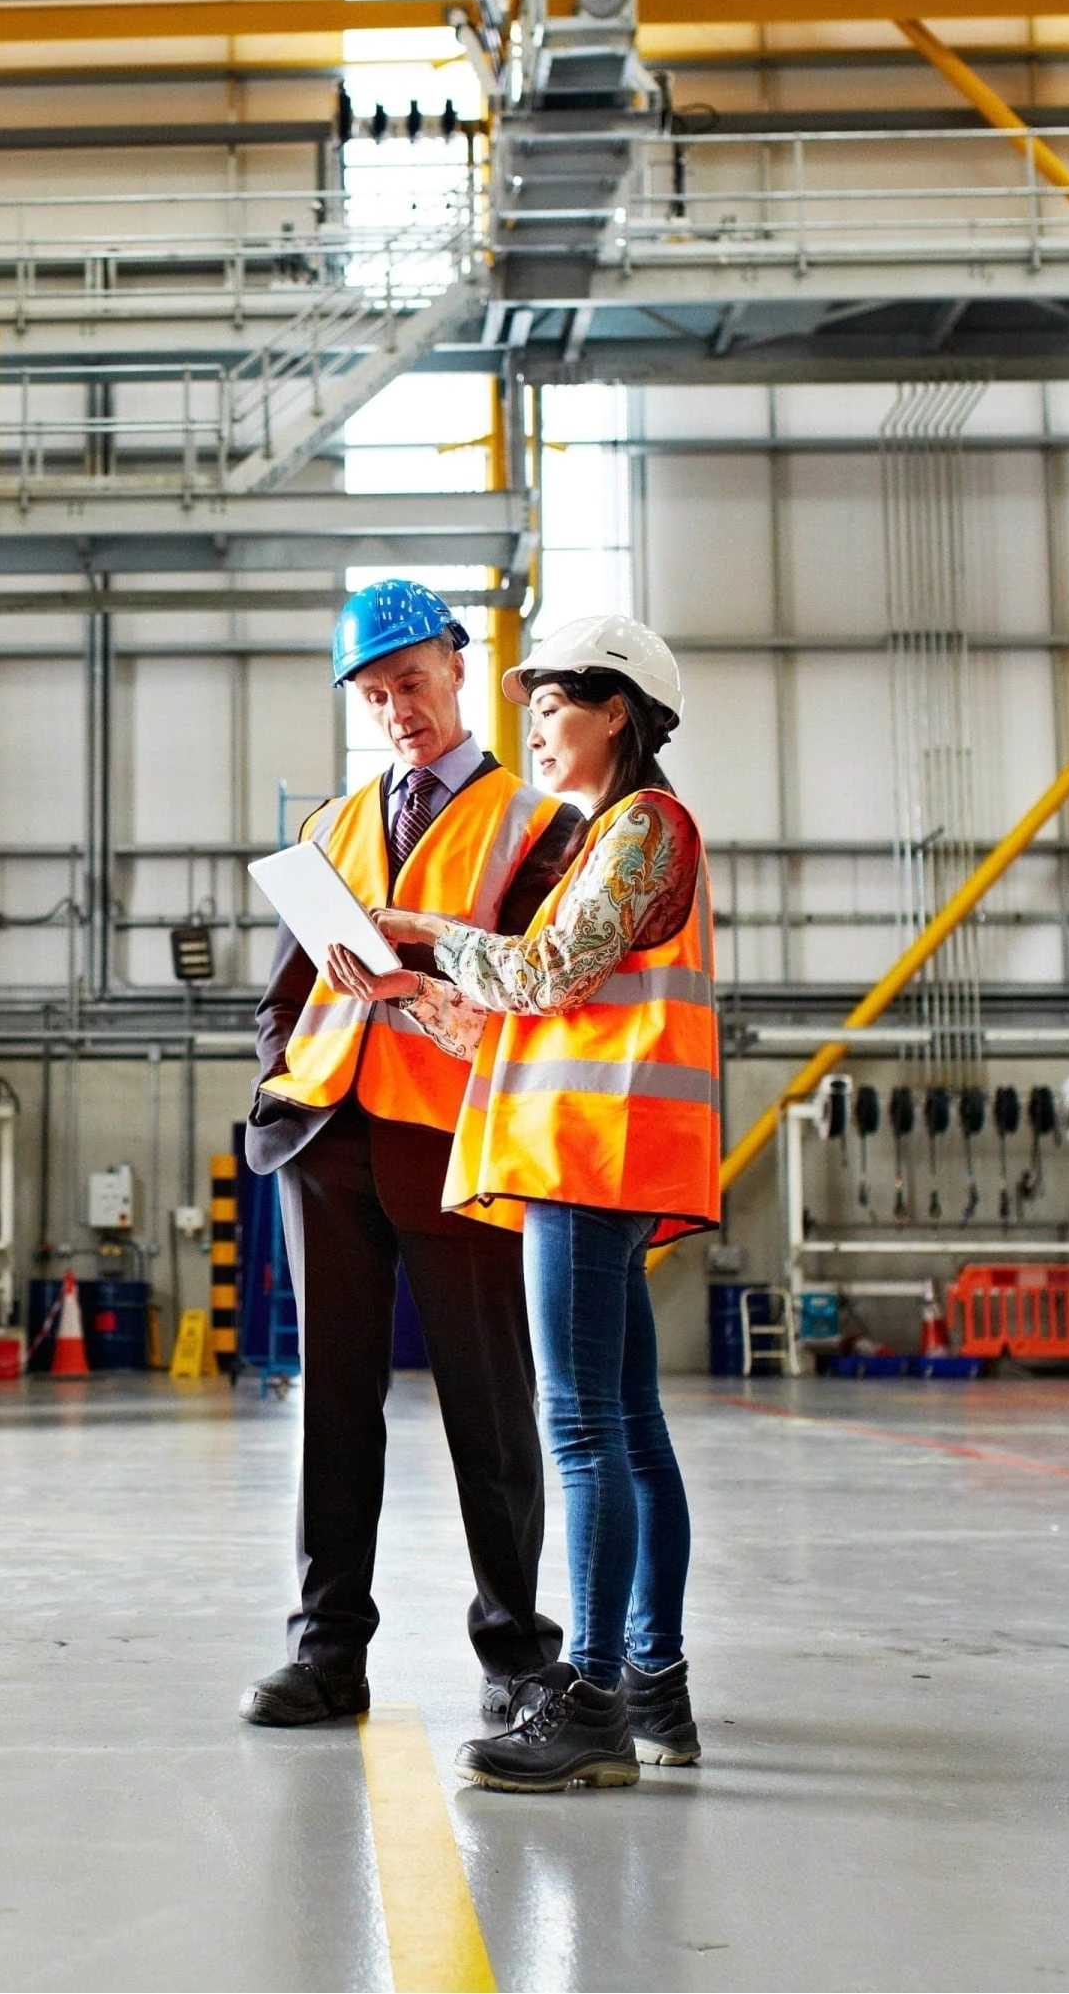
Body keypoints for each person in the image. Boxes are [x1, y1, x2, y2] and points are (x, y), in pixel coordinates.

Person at [326, 614, 718, 1792]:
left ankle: (594, 1697)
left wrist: (424, 929)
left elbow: (543, 976)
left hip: (591, 1160)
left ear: (619, 713)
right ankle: (653, 1685)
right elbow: (523, 1023)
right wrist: (402, 989)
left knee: (587, 1431)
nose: (535, 729)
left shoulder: (644, 829)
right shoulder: (614, 840)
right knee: (631, 1433)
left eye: (552, 708)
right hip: (587, 1152)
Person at [241, 579, 584, 1731]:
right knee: (332, 1405)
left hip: (458, 1138)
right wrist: (276, 1080)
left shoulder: (539, 828)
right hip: (327, 1137)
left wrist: (425, 979)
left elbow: (545, 992)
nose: (398, 709)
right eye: (375, 693)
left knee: (489, 1402)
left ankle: (517, 1655)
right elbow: (282, 993)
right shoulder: (328, 828)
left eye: (414, 682)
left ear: (458, 665)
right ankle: (327, 1652)